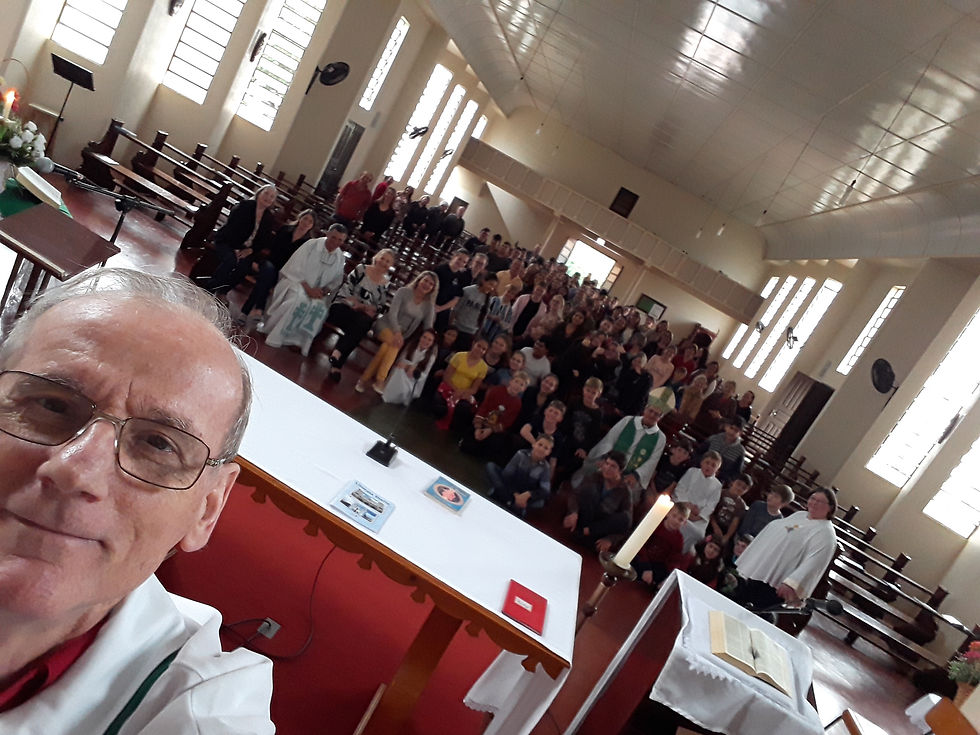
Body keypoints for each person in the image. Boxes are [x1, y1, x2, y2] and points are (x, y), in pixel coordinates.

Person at [0, 268, 272, 732]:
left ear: (208, 509)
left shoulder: (201, 710)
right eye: (51, 404)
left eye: (159, 444)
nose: (76, 471)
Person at [734, 487, 838, 609]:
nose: (814, 503)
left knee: (756, 609)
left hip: (778, 583)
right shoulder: (800, 516)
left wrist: (792, 583)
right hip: (763, 570)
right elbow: (786, 531)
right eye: (812, 498)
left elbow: (815, 562)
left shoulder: (825, 533)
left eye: (820, 501)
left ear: (830, 507)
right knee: (739, 601)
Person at [258, 222, 348, 355]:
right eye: (333, 237)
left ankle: (296, 341)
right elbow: (295, 267)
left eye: (340, 240)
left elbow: (336, 280)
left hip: (317, 292)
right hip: (296, 282)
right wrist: (308, 288)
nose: (335, 242)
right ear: (328, 234)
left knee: (319, 308)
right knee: (297, 300)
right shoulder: (311, 245)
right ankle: (273, 332)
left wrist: (324, 291)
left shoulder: (340, 257)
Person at [357, 270, 437, 394]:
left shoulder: (429, 306)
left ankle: (363, 379)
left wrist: (429, 342)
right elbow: (392, 313)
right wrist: (397, 333)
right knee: (394, 345)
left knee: (387, 347)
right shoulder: (403, 292)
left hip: (402, 336)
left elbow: (428, 328)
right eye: (425, 281)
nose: (427, 285)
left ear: (433, 289)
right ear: (419, 280)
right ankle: (380, 380)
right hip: (386, 325)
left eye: (431, 284)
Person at [577, 400, 669, 505]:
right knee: (590, 477)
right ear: (645, 409)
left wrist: (636, 475)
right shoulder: (628, 421)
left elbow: (652, 461)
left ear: (660, 417)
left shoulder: (660, 438)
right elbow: (610, 440)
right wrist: (604, 459)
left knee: (626, 496)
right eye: (650, 411)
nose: (652, 415)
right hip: (610, 462)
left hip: (630, 473)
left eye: (656, 414)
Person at [325, 248, 395, 381]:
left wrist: (363, 307)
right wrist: (359, 305)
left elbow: (379, 307)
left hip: (360, 316)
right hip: (343, 307)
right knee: (359, 327)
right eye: (382, 258)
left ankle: (337, 355)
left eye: (388, 261)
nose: (384, 263)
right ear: (376, 258)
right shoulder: (361, 269)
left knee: (362, 324)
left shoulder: (385, 284)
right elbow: (347, 290)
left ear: (390, 266)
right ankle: (337, 365)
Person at [238, 208, 316, 325]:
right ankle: (259, 309)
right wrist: (255, 261)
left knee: (265, 281)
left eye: (310, 222)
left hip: (286, 272)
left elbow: (301, 264)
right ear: (300, 218)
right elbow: (270, 247)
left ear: (312, 226)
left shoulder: (308, 243)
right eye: (305, 219)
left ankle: (245, 312)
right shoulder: (285, 229)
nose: (306, 223)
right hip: (270, 263)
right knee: (268, 272)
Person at [204, 184, 279, 296]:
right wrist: (236, 249)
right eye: (266, 193)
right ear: (259, 193)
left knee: (244, 268)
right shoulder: (244, 206)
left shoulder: (269, 217)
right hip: (227, 241)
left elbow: (264, 240)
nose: (268, 198)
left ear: (273, 201)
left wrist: (251, 250)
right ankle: (209, 289)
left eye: (272, 196)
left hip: (246, 249)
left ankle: (223, 292)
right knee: (230, 260)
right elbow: (232, 229)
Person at [563, 451, 633, 549]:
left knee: (624, 517)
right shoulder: (595, 476)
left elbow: (625, 524)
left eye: (613, 466)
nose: (607, 468)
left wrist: (610, 540)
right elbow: (575, 495)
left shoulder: (625, 491)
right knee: (589, 492)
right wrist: (573, 512)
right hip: (582, 522)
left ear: (620, 471)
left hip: (598, 531)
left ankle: (588, 531)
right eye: (607, 464)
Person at [459, 372, 529, 458]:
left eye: (521, 384)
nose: (517, 386)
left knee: (493, 445)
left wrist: (490, 430)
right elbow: (483, 408)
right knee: (467, 445)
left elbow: (507, 422)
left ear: (524, 389)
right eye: (516, 381)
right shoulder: (496, 390)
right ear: (511, 381)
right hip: (482, 421)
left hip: (494, 429)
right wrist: (478, 427)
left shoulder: (517, 403)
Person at [486, 435, 554, 517]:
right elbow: (507, 475)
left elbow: (545, 490)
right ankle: (510, 502)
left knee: (540, 503)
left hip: (525, 493)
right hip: (511, 486)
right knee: (491, 466)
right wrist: (515, 494)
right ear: (534, 444)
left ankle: (502, 496)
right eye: (540, 445)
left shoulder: (546, 467)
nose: (541, 449)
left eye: (546, 448)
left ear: (548, 452)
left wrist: (528, 494)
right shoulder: (521, 454)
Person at [672, 451, 723, 553]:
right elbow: (680, 489)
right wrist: (687, 505)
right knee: (677, 520)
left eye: (713, 465)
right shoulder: (692, 472)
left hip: (698, 517)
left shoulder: (717, 485)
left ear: (717, 469)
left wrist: (698, 516)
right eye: (707, 463)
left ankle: (680, 552)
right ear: (702, 462)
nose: (709, 467)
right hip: (682, 506)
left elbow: (711, 505)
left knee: (697, 533)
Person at [433, 337, 489, 430]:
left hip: (464, 393)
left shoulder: (483, 367)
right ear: (473, 344)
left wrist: (461, 392)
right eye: (478, 346)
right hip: (448, 387)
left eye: (484, 349)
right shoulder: (459, 356)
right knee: (440, 403)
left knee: (464, 408)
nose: (480, 350)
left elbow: (474, 389)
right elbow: (446, 376)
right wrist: (456, 390)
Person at [631, 503, 692, 587]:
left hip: (656, 565)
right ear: (668, 514)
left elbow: (673, 560)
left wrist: (667, 579)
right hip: (642, 558)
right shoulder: (655, 525)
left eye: (680, 520)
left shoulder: (679, 539)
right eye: (674, 516)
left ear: (684, 523)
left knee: (663, 575)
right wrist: (646, 568)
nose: (676, 521)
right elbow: (641, 546)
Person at [381, 328, 438, 405]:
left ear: (432, 343)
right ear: (420, 337)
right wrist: (407, 367)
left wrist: (413, 370)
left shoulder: (431, 357)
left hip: (413, 380)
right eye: (424, 337)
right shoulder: (411, 346)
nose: (425, 341)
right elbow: (401, 361)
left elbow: (424, 375)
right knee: (399, 369)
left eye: (429, 340)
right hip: (402, 373)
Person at [695, 416, 747, 485]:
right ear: (726, 427)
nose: (732, 432)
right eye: (731, 428)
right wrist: (704, 465)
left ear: (740, 433)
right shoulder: (713, 439)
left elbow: (736, 473)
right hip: (700, 471)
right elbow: (697, 453)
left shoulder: (740, 451)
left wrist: (721, 475)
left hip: (719, 480)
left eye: (736, 430)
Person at [452, 274, 498, 350]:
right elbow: (455, 309)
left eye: (494, 286)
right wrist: (451, 325)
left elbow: (483, 318)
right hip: (458, 327)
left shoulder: (488, 299)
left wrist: (477, 333)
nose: (491, 288)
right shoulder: (468, 291)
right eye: (490, 284)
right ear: (483, 281)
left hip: (471, 332)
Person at [708, 473, 752, 551]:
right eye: (738, 484)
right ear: (732, 482)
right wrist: (715, 526)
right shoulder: (721, 493)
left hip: (725, 529)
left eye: (744, 488)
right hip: (711, 522)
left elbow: (734, 522)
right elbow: (711, 510)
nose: (739, 488)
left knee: (723, 546)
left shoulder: (741, 505)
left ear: (747, 491)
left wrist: (727, 536)